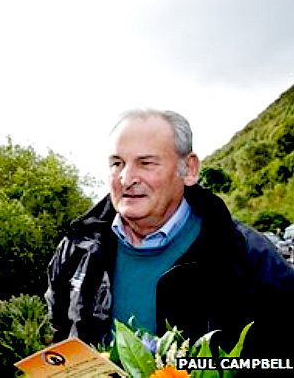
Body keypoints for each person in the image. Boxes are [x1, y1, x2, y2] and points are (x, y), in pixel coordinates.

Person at [44, 108, 294, 361]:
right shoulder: (77, 248)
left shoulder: (249, 255)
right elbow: (57, 335)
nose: (126, 177)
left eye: (146, 163)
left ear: (189, 169)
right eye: (117, 163)